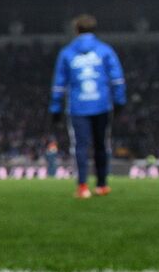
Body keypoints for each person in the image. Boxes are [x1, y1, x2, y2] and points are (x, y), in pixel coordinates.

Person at [49, 14, 126, 199]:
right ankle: (102, 185)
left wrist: (55, 107)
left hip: (78, 106)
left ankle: (83, 186)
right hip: (102, 104)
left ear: (76, 31)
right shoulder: (105, 50)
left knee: (80, 146)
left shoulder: (67, 53)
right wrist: (120, 101)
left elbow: (59, 83)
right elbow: (117, 79)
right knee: (102, 145)